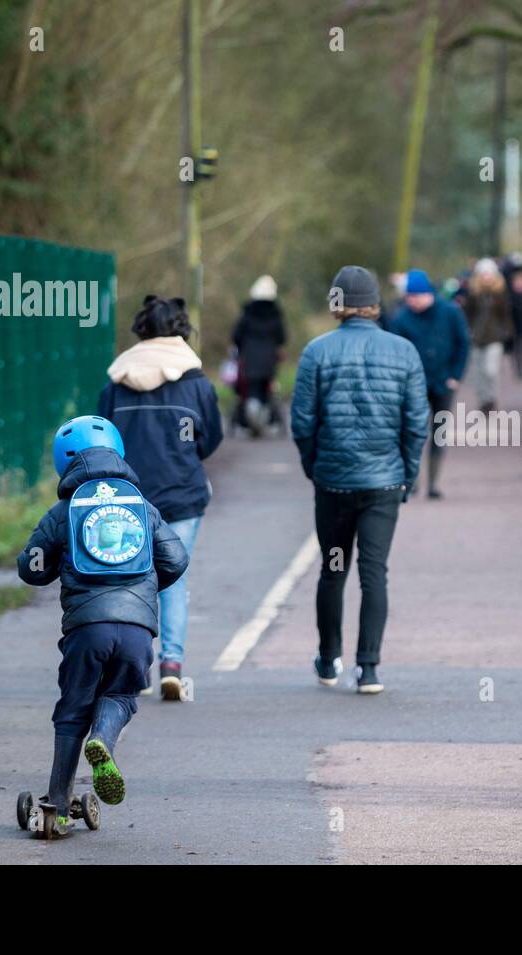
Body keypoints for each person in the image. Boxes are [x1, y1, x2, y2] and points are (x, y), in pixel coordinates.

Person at [17, 416, 189, 837]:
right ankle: (104, 743)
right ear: (118, 452)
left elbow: (32, 568)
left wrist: (58, 562)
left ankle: (55, 807)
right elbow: (177, 559)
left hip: (85, 630)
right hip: (136, 631)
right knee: (122, 694)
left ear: (64, 463)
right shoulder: (141, 507)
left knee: (72, 709)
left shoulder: (63, 511)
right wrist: (143, 594)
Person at [291, 266, 430, 693]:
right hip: (384, 484)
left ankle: (329, 659)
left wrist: (314, 467)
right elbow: (417, 422)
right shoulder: (403, 351)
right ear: (374, 305)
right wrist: (406, 474)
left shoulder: (317, 351)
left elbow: (302, 422)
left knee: (333, 570)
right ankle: (368, 668)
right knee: (374, 574)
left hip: (333, 484)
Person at [98, 295, 223, 700]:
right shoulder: (196, 383)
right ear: (182, 330)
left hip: (127, 497)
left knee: (128, 581)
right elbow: (211, 440)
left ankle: (135, 668)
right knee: (172, 581)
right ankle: (172, 664)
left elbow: (103, 442)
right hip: (183, 497)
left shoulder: (115, 385)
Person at [390, 268, 471, 499]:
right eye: (409, 297)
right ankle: (413, 480)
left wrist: (455, 375)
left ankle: (433, 483)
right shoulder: (401, 319)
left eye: (415, 296)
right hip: (413, 384)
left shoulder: (450, 312)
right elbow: (395, 351)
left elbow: (463, 343)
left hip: (444, 382)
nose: (412, 301)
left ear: (428, 294)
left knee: (439, 432)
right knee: (414, 431)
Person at [230, 274, 287, 436]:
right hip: (269, 360)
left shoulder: (247, 313)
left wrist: (240, 350)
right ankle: (265, 419)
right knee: (266, 389)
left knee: (251, 389)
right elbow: (282, 337)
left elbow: (236, 336)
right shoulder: (275, 314)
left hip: (250, 359)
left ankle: (250, 420)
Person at [462, 257, 512, 413]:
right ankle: (482, 400)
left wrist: (508, 333)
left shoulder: (500, 293)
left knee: (490, 370)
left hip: (494, 338)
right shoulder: (472, 293)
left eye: (488, 273)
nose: (486, 277)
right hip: (476, 338)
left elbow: (506, 315)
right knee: (478, 373)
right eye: (483, 274)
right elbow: (467, 314)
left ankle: (491, 398)